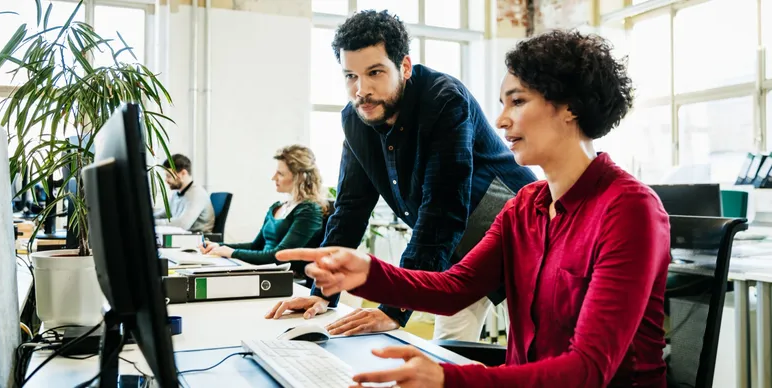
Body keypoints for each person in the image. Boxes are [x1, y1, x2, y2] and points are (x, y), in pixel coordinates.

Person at [275, 30, 671, 387]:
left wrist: (451, 379)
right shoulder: (526, 207)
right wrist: (366, 273)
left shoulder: (628, 209)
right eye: (502, 103)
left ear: (569, 107)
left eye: (516, 102)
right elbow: (455, 288)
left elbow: (587, 369)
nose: (500, 120)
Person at [265, 10, 537, 341]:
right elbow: (350, 208)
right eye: (350, 75)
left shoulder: (442, 98)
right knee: (449, 352)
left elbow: (442, 208)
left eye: (374, 72)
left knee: (540, 348)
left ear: (404, 67)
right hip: (453, 255)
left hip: (518, 239)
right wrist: (323, 292)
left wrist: (393, 308)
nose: (361, 90)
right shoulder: (356, 119)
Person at [200, 145, 327, 276]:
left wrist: (231, 252)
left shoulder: (309, 211)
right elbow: (256, 246)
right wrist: (219, 246)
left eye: (281, 174)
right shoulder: (277, 207)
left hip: (285, 278)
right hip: (265, 271)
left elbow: (278, 256)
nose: (273, 178)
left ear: (299, 178)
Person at [153, 154, 215, 233]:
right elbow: (164, 214)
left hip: (198, 240)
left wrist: (152, 223)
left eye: (169, 176)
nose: (166, 180)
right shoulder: (177, 194)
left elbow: (182, 224)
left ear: (183, 173)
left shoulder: (197, 194)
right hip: (183, 237)